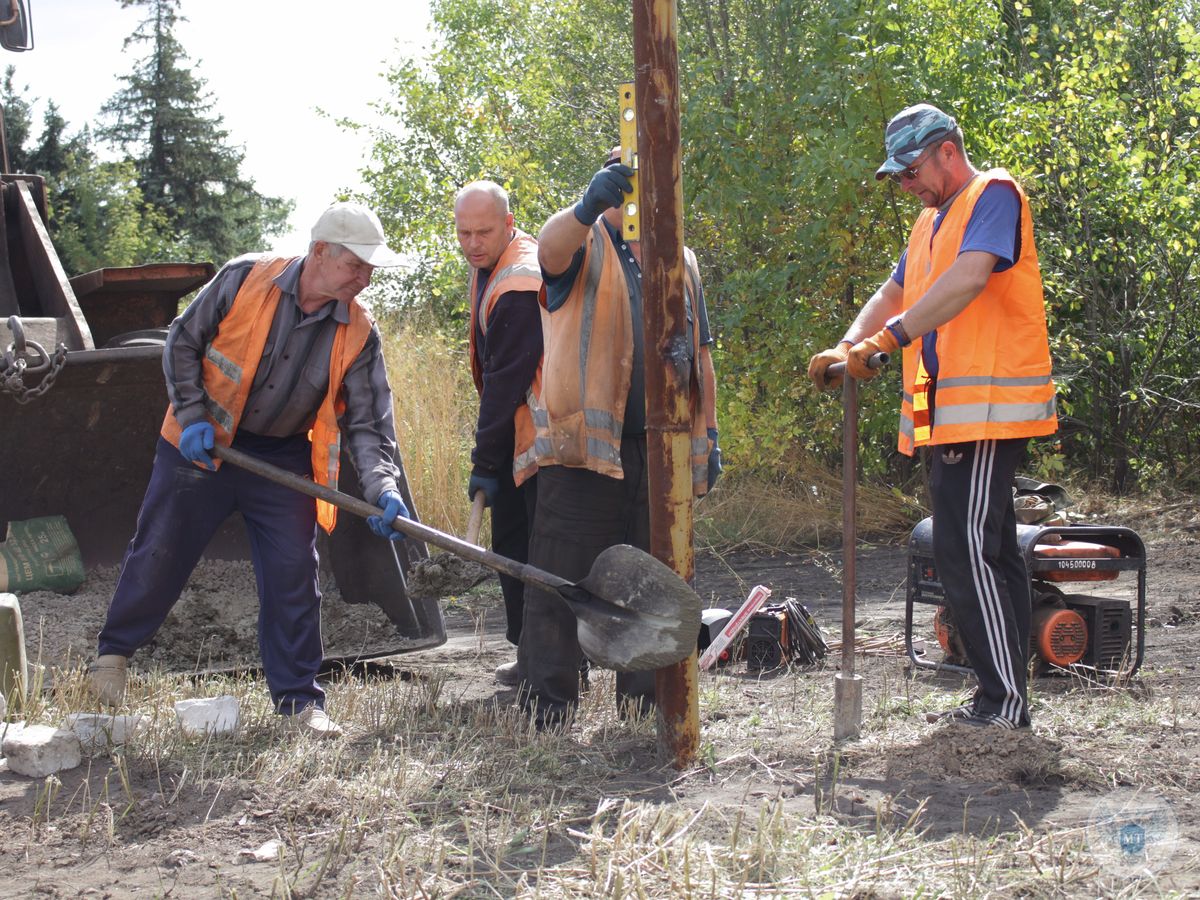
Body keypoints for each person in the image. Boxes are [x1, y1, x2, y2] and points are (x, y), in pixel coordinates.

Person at [88, 201, 414, 738]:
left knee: (293, 573)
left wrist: (383, 487)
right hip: (202, 445)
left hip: (280, 458)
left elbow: (369, 427)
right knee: (160, 551)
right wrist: (193, 415)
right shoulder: (245, 278)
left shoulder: (359, 332)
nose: (366, 276)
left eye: (370, 267)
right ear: (320, 253)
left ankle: (299, 704)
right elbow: (182, 342)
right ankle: (111, 660)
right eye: (356, 263)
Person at [808, 104, 1058, 729]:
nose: (905, 184)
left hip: (987, 414)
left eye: (911, 169)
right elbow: (894, 293)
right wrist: (849, 344)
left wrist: (885, 341)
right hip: (949, 418)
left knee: (966, 552)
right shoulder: (928, 225)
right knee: (984, 553)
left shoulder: (991, 194)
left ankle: (1002, 703)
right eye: (896, 176)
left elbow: (970, 279)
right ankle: (1003, 697)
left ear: (948, 150)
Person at [521, 147, 722, 727]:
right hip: (584, 453)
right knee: (561, 583)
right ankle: (547, 709)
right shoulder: (582, 243)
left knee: (655, 582)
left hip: (658, 454)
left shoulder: (679, 258)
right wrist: (586, 207)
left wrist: (707, 435)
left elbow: (700, 356)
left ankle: (645, 707)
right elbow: (550, 249)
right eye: (632, 183)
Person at [453, 181, 544, 685]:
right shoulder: (492, 267)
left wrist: (485, 463)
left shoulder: (518, 284)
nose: (472, 243)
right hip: (517, 430)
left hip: (541, 436)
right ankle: (532, 653)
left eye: (483, 232)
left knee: (530, 547)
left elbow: (505, 383)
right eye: (463, 232)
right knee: (513, 541)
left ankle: (547, 660)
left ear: (508, 225)